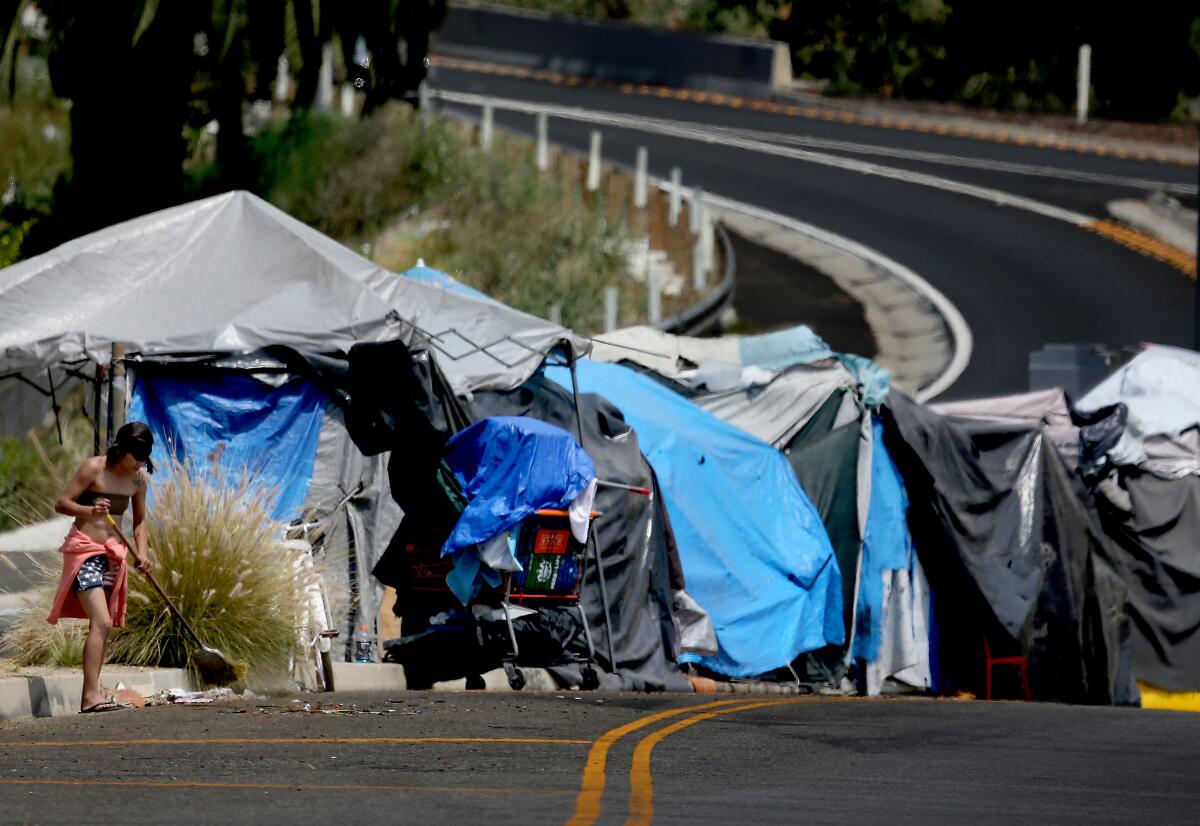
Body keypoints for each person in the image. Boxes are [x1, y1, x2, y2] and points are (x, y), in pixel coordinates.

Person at [48, 422, 155, 713]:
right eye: (137, 455)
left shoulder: (138, 481)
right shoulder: (93, 469)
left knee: (103, 626)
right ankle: (90, 697)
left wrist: (142, 553)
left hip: (112, 555)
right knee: (102, 621)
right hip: (84, 550)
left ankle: (92, 694)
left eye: (146, 455)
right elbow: (62, 503)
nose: (142, 462)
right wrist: (89, 510)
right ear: (121, 450)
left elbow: (140, 522)